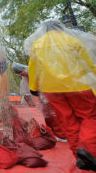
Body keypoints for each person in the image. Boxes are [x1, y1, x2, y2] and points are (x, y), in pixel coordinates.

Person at [25, 19, 96, 171]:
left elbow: (33, 69)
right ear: (61, 27)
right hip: (79, 86)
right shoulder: (72, 41)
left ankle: (79, 156)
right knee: (89, 117)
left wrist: (34, 88)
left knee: (68, 122)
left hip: (52, 90)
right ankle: (88, 150)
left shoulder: (37, 45)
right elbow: (89, 64)